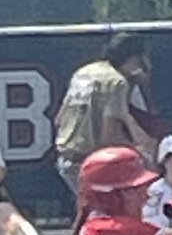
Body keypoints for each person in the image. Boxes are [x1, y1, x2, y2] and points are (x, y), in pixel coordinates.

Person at [54, 33, 158, 195]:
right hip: (92, 163)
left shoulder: (83, 72)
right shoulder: (116, 81)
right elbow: (109, 137)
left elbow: (60, 119)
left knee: (87, 213)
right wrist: (140, 154)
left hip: (66, 158)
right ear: (134, 58)